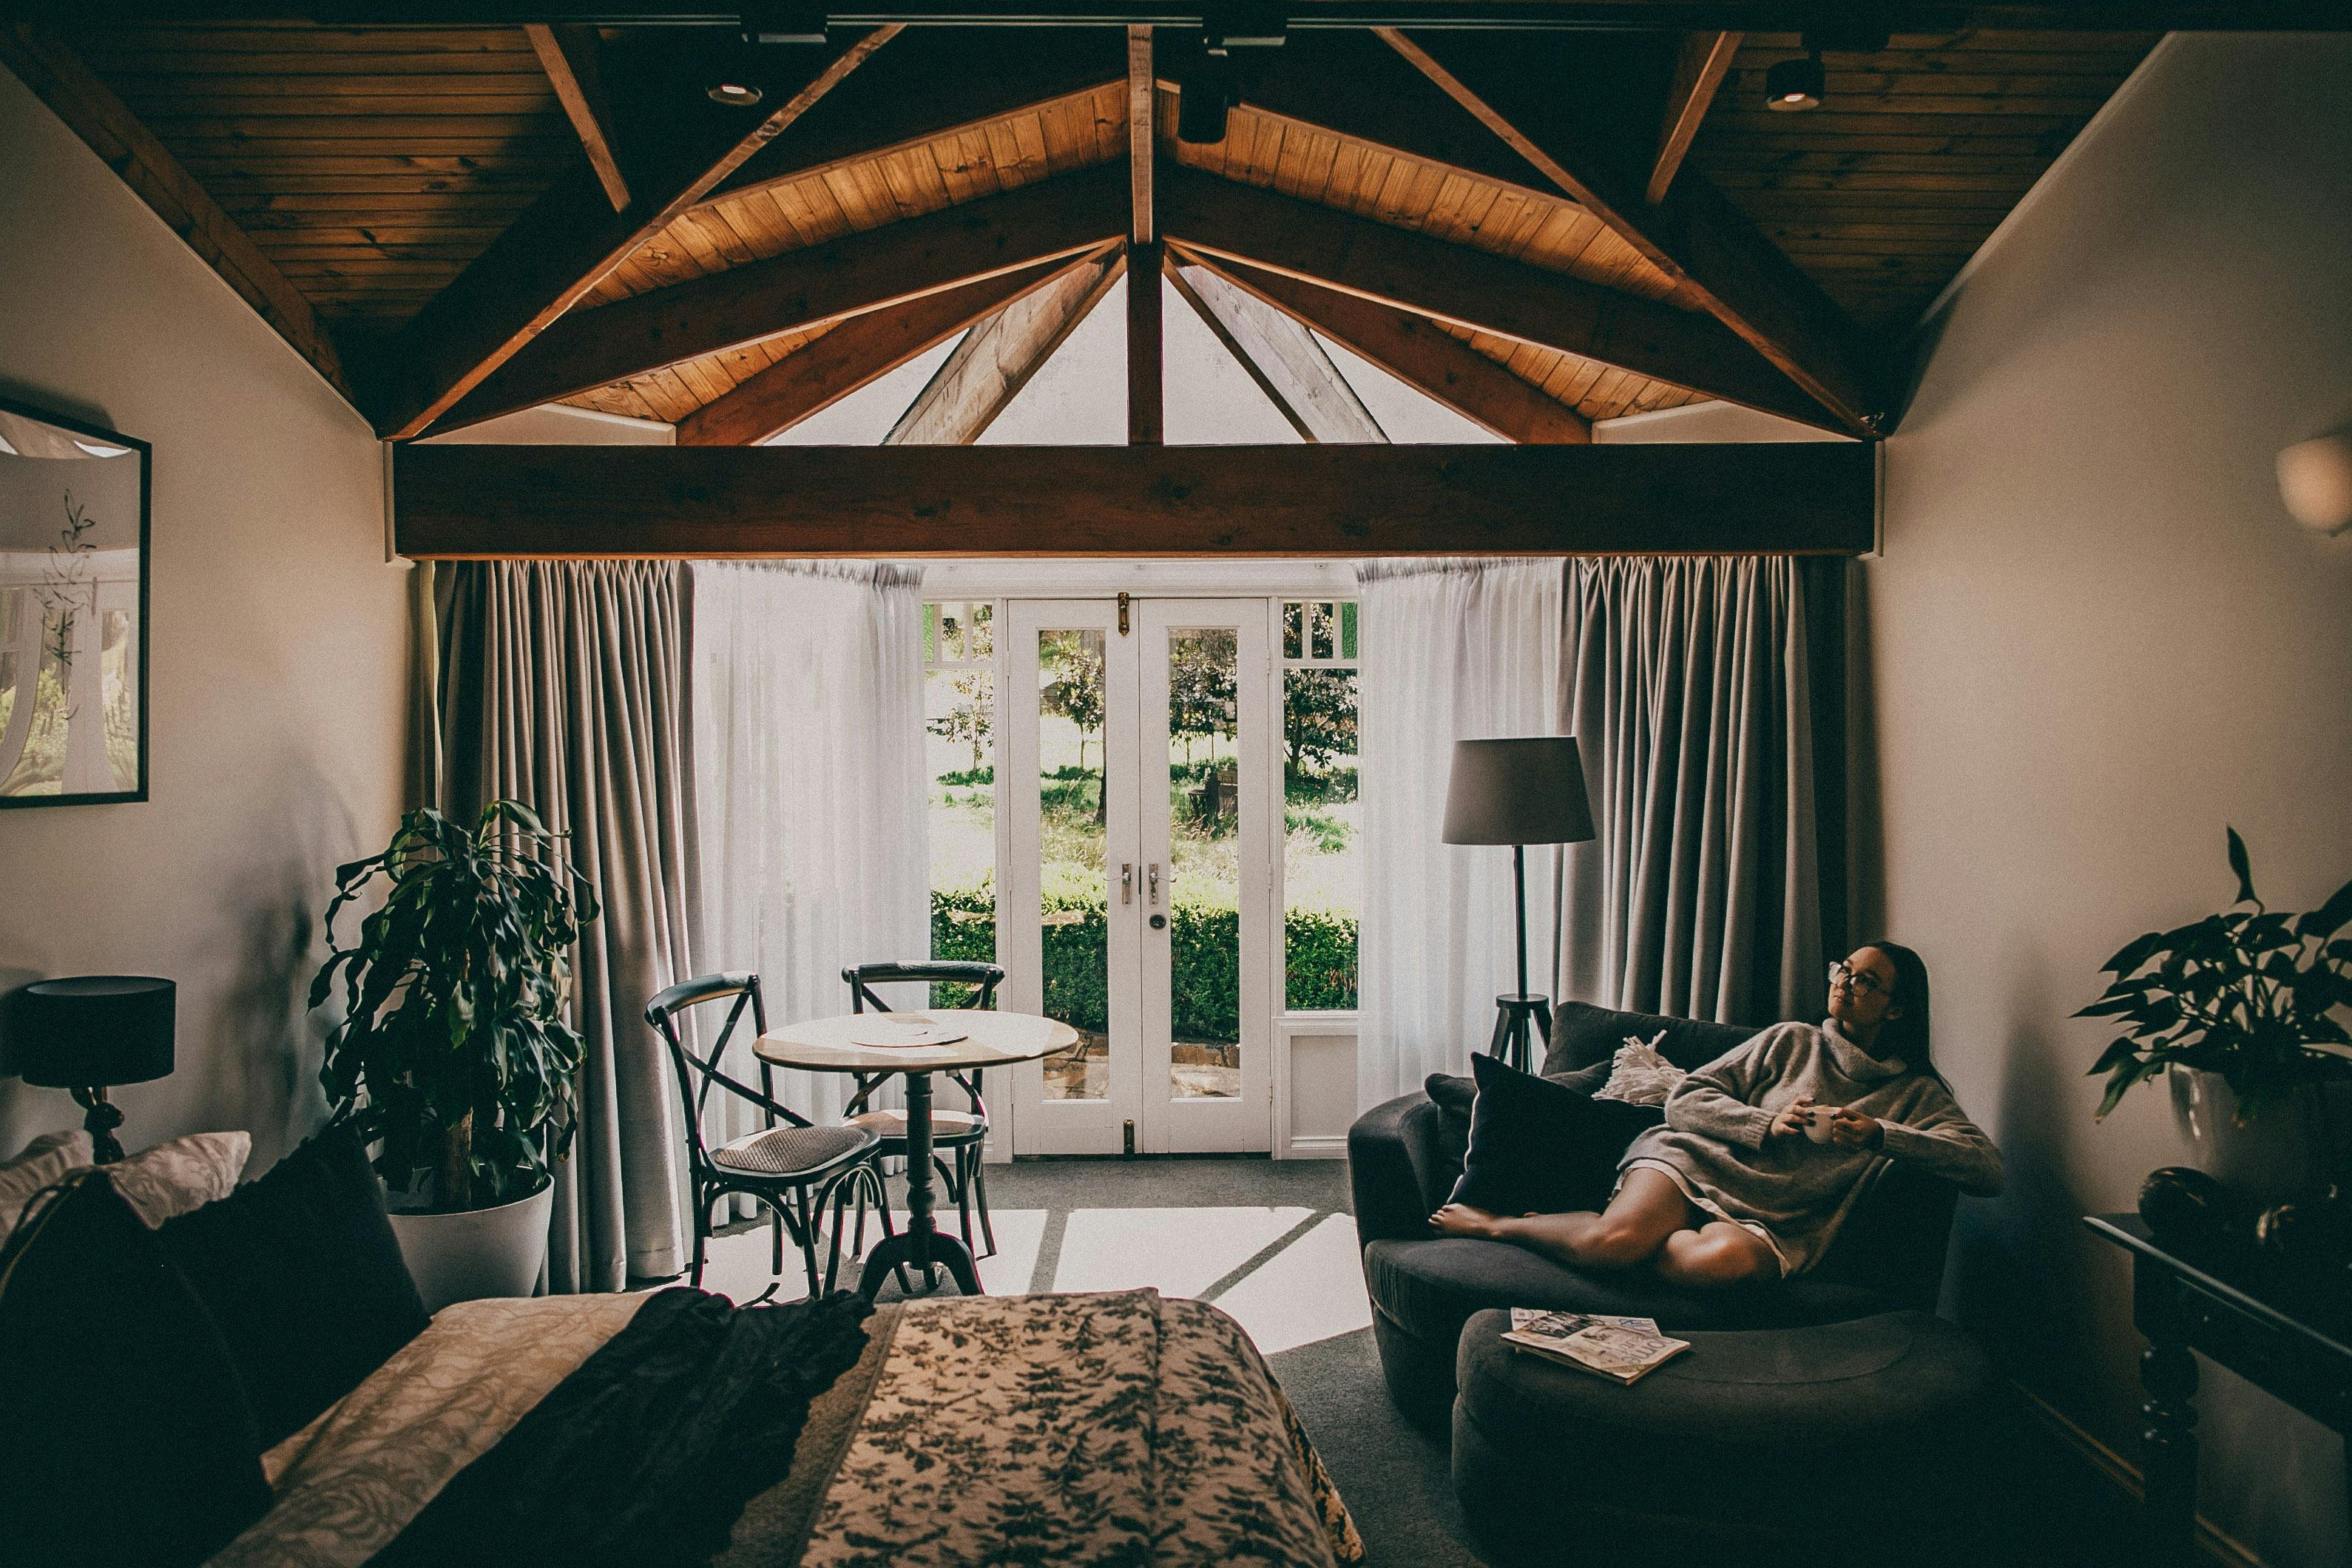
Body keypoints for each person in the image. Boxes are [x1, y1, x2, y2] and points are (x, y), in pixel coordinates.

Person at [1428, 942, 2003, 1288]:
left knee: (1722, 1265)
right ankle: (1501, 1224)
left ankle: (1591, 1234)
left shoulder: (1915, 1094)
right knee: (1615, 1244)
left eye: (1866, 981)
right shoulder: (1791, 1041)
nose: (1845, 984)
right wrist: (1765, 1124)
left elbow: (1987, 1169)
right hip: (1694, 1163)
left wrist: (1882, 1135)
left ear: (1896, 1010)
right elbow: (1686, 1097)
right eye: (1844, 970)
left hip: (1773, 1221)